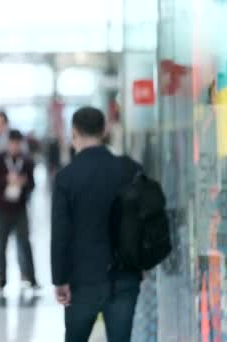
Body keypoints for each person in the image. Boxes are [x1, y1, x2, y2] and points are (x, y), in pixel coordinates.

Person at [51, 107, 142, 342]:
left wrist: (59, 279)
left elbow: (61, 233)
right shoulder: (130, 169)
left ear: (74, 133)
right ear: (104, 131)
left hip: (83, 280)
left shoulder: (67, 177)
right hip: (125, 276)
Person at [0, 129, 39, 290]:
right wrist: (6, 179)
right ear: (8, 143)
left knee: (24, 242)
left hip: (20, 208)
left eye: (18, 144)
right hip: (2, 208)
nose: (15, 147)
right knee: (1, 244)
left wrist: (24, 182)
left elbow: (32, 184)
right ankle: (1, 278)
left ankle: (31, 277)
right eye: (12, 143)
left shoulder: (27, 161)